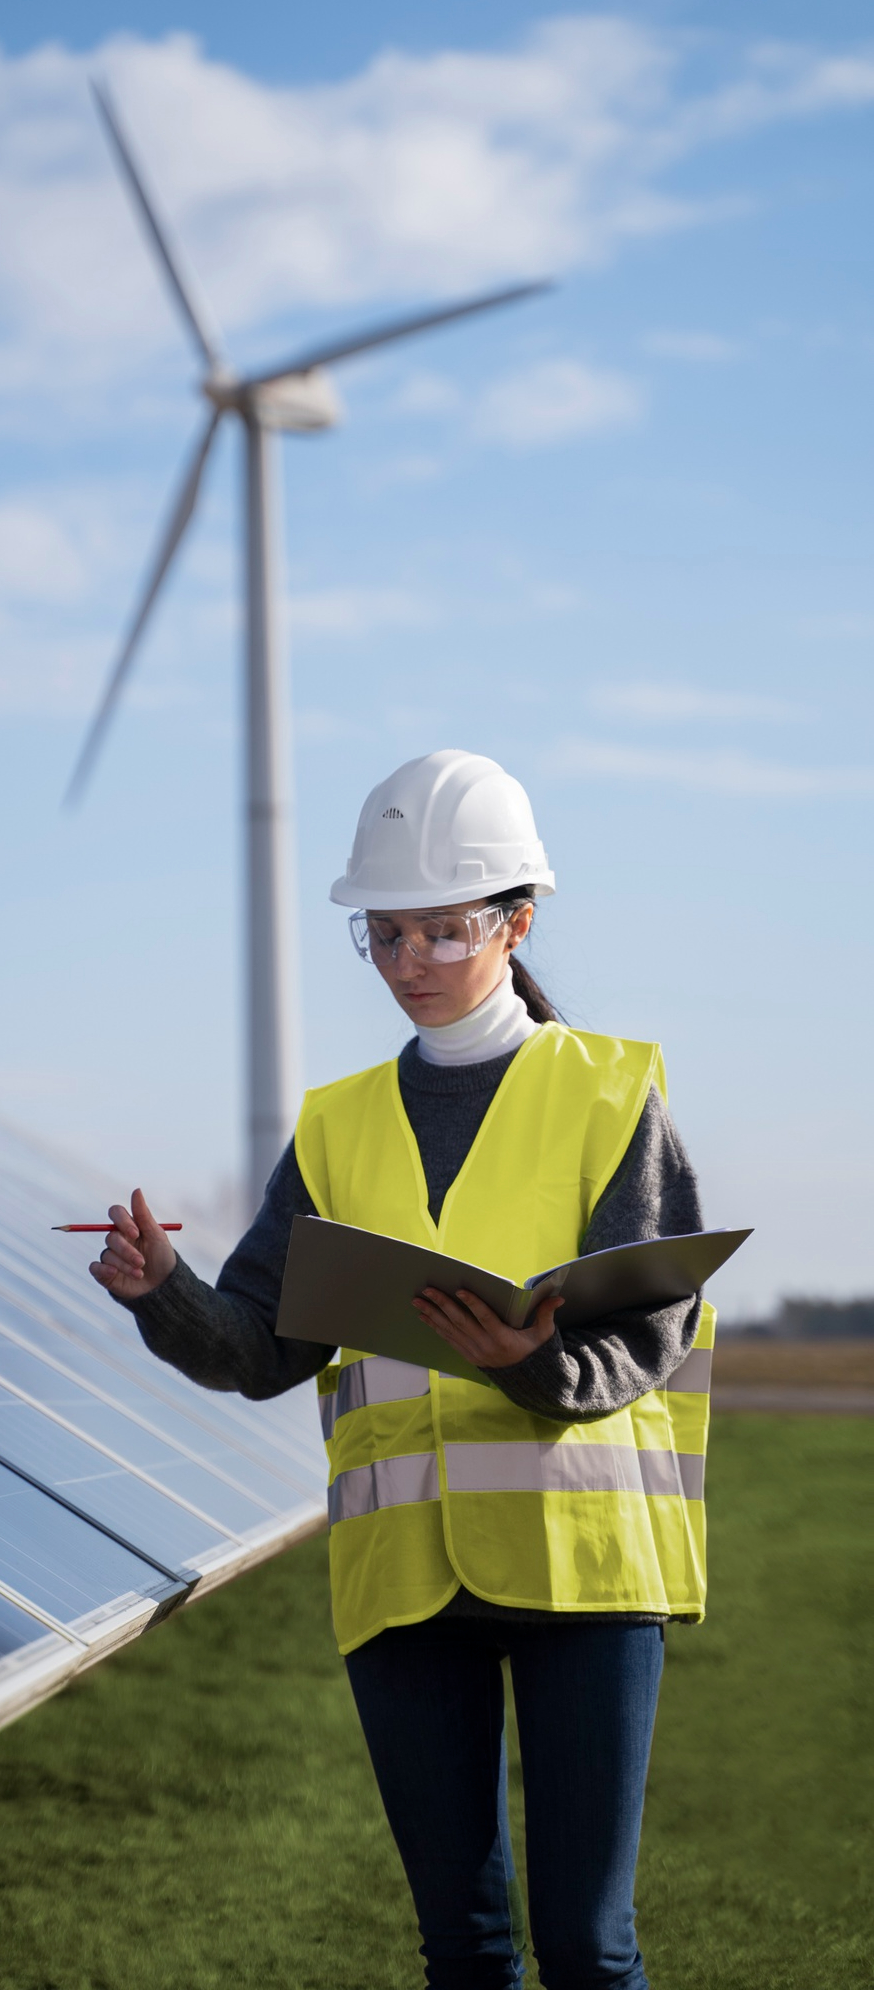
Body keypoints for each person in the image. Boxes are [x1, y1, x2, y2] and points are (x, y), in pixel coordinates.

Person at [90, 749, 713, 1990]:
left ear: (516, 921)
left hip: (582, 1567)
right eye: (383, 935)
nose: (408, 962)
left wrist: (536, 1362)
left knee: (589, 1949)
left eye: (440, 930)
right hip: (403, 1580)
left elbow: (653, 1328)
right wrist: (162, 1289)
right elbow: (266, 1347)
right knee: (462, 1950)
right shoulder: (336, 1122)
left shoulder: (608, 1090)